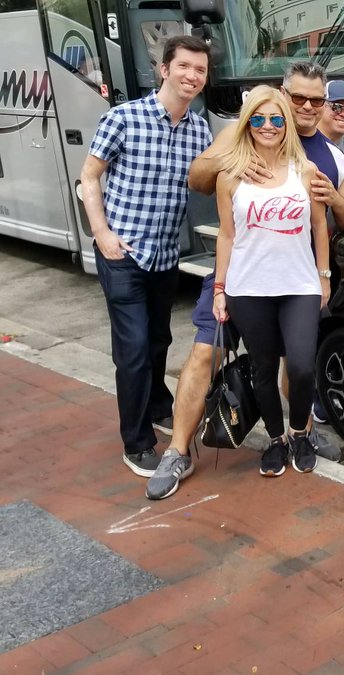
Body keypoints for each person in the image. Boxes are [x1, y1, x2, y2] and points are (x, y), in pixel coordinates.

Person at [147, 62, 344, 500]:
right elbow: (199, 179)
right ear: (281, 94)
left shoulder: (332, 156)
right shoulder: (241, 136)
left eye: (315, 100)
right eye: (296, 97)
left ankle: (298, 431)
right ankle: (178, 450)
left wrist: (333, 197)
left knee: (297, 362)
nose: (305, 106)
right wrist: (237, 163)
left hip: (298, 274)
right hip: (243, 273)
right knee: (205, 354)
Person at [79, 35, 212, 479]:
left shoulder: (199, 129)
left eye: (200, 69)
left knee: (159, 341)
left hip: (163, 255)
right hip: (122, 255)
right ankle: (136, 444)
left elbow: (209, 180)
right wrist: (102, 235)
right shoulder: (123, 118)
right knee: (133, 350)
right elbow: (89, 178)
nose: (192, 75)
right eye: (185, 66)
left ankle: (157, 404)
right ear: (164, 69)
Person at [212, 85, 329, 477]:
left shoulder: (305, 171)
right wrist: (219, 288)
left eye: (276, 119)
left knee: (300, 366)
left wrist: (324, 277)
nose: (268, 126)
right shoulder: (230, 177)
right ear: (247, 124)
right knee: (262, 370)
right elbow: (226, 235)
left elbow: (319, 226)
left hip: (299, 285)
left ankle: (300, 432)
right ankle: (276, 439)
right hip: (249, 288)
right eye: (258, 119)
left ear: (286, 125)